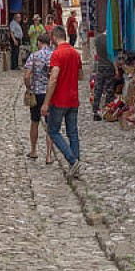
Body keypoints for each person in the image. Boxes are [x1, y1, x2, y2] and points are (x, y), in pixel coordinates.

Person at [41, 26, 83, 180]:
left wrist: (46, 103)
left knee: (53, 131)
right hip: (73, 98)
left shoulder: (57, 54)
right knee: (73, 132)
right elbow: (81, 75)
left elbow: (53, 79)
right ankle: (76, 166)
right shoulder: (75, 53)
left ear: (53, 37)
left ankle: (72, 160)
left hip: (59, 99)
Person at [24, 34, 55, 163]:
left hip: (36, 93)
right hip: (50, 93)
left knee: (34, 122)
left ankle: (33, 150)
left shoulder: (34, 56)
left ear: (39, 42)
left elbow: (26, 75)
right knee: (50, 125)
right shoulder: (54, 55)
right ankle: (48, 155)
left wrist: (28, 87)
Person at [92, 31, 117, 121]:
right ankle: (107, 112)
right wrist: (117, 69)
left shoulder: (97, 39)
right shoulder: (110, 40)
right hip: (109, 67)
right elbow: (112, 56)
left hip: (100, 66)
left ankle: (95, 111)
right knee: (109, 90)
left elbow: (96, 53)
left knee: (98, 89)